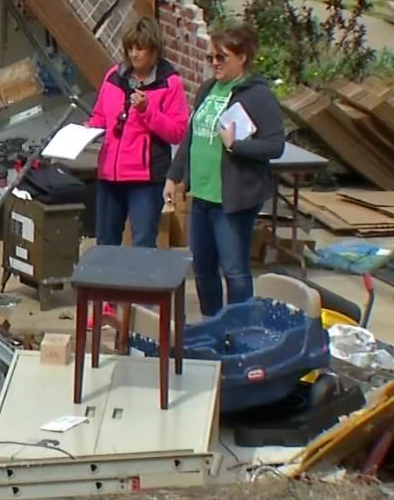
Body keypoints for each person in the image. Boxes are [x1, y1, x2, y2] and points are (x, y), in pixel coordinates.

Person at [166, 24, 286, 317]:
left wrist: (236, 146)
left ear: (242, 57)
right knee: (203, 266)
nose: (215, 64)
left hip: (232, 198)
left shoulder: (257, 96)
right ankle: (212, 323)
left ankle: (239, 327)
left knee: (234, 269)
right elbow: (192, 135)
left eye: (222, 57)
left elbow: (275, 145)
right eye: (211, 58)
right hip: (203, 193)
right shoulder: (208, 89)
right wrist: (173, 176)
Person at [87, 17, 188, 247]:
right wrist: (88, 128)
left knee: (142, 242)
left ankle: (138, 283)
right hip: (110, 175)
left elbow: (177, 132)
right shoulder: (113, 76)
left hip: (145, 178)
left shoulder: (169, 84)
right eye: (130, 48)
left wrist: (147, 112)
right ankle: (105, 283)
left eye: (140, 49)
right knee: (105, 241)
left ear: (154, 51)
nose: (134, 54)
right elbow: (100, 116)